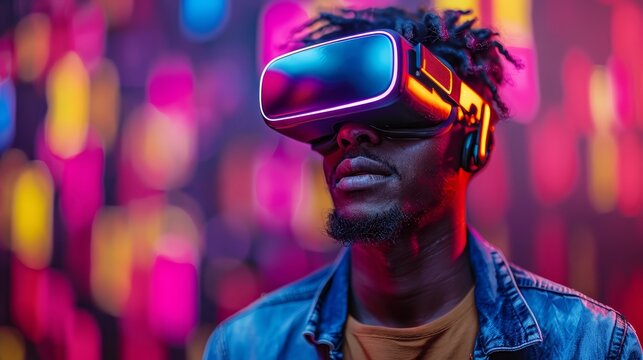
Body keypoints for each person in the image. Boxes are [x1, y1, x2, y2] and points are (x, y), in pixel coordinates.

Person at [204, 7, 642, 359]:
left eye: (398, 111)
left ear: (475, 140)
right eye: (334, 118)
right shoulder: (245, 347)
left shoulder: (591, 345)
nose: (351, 135)